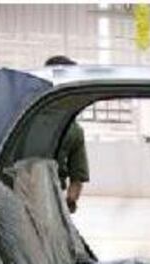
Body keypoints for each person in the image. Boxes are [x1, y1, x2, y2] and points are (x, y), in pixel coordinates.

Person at [44, 55, 90, 213]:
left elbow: (77, 177)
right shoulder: (73, 129)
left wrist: (69, 201)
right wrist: (69, 202)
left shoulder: (25, 117)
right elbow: (77, 178)